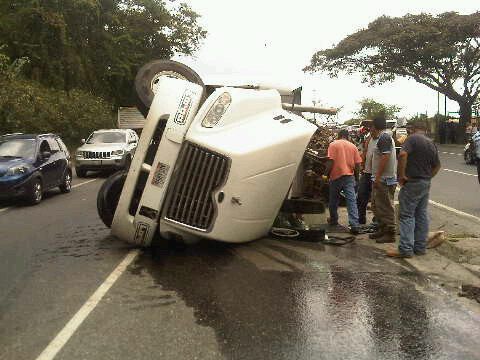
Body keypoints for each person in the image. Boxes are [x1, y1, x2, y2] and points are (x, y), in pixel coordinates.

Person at [387, 121, 441, 258]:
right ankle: (420, 247)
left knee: (406, 215)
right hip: (425, 182)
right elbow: (437, 166)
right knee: (421, 214)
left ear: (414, 129)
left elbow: (403, 155)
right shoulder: (431, 142)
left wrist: (401, 175)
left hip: (413, 182)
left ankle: (405, 249)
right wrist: (428, 177)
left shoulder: (412, 139)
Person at [326, 129, 362, 234]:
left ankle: (334, 220)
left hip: (335, 176)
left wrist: (325, 174)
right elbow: (358, 164)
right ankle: (354, 224)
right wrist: (357, 178)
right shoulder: (353, 146)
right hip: (349, 177)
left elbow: (330, 161)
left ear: (339, 135)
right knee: (351, 201)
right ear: (348, 136)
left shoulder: (333, 145)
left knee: (333, 200)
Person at [368, 117, 398, 243]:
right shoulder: (382, 138)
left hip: (384, 180)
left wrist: (378, 177)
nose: (370, 130)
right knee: (376, 206)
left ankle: (390, 232)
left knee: (385, 207)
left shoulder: (384, 137)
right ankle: (382, 229)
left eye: (371, 127)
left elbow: (385, 157)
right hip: (380, 179)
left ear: (375, 127)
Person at [357, 129, 378, 225]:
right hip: (367, 173)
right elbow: (365, 151)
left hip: (376, 174)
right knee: (361, 197)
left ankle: (377, 222)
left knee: (376, 200)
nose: (371, 131)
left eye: (372, 129)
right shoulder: (370, 138)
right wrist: (362, 163)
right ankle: (361, 219)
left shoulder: (383, 139)